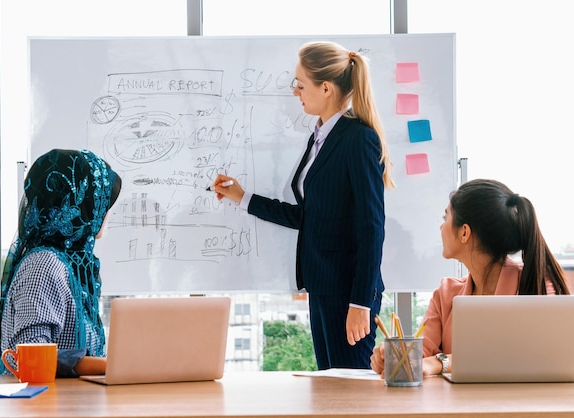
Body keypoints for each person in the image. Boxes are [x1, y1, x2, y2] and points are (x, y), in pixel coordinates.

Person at [212, 41, 395, 369]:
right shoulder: (320, 138)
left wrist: (360, 304)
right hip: (322, 285)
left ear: (325, 88)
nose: (295, 92)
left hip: (348, 294)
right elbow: (309, 216)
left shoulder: (358, 139)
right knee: (330, 389)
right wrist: (243, 197)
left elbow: (372, 228)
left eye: (300, 84)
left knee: (349, 395)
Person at [370, 178, 571, 377]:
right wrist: (394, 357)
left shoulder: (537, 285)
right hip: (459, 407)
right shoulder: (445, 293)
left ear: (464, 232)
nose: (441, 228)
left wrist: (442, 362)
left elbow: (527, 356)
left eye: (445, 218)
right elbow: (422, 355)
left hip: (524, 405)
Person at [0, 148, 122, 377]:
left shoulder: (71, 265)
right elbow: (32, 353)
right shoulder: (44, 265)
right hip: (47, 406)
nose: (106, 213)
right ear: (83, 207)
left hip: (73, 400)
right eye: (102, 204)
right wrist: (108, 367)